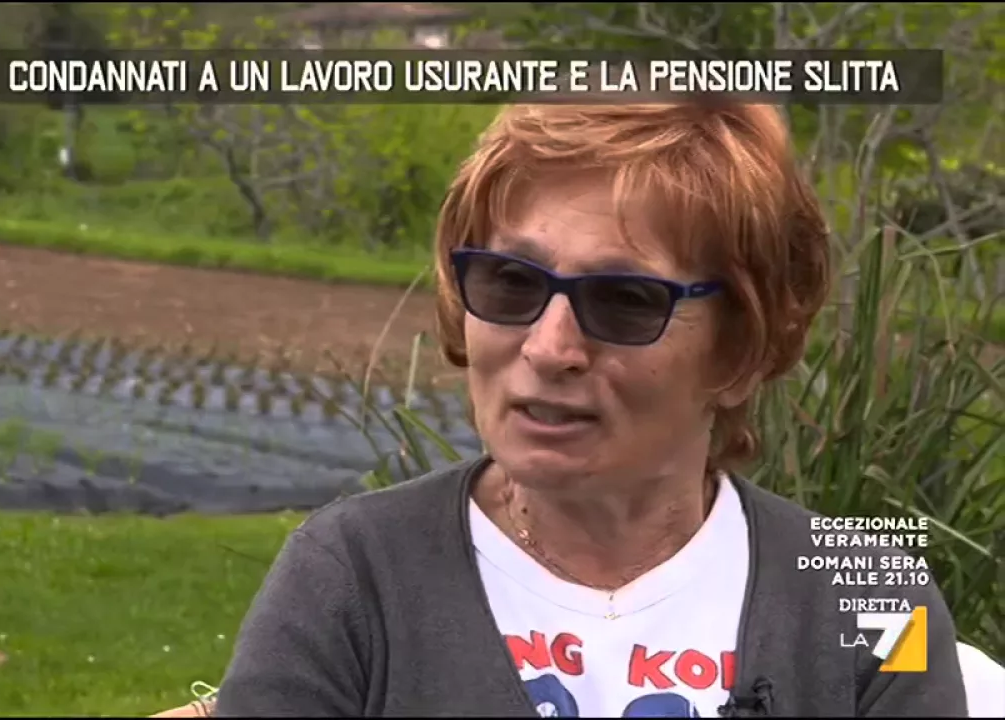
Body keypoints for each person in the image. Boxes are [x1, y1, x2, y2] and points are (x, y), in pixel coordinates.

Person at [206, 100, 969, 717]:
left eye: (625, 299)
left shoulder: (871, 602)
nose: (549, 348)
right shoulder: (352, 576)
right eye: (511, 282)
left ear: (742, 349)